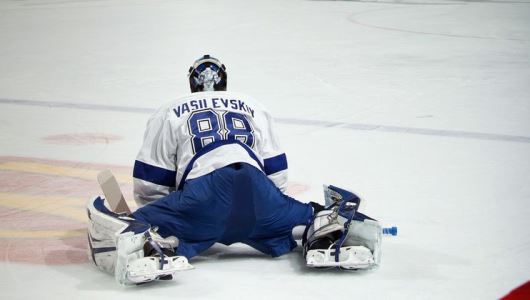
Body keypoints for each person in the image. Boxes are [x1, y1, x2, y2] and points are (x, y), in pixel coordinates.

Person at [86, 55, 382, 286]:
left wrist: (169, 217)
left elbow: (149, 183)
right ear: (225, 81)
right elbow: (276, 175)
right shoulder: (252, 105)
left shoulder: (170, 109)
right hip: (261, 201)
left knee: (138, 222)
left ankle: (150, 239)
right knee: (308, 213)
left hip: (202, 200)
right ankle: (326, 228)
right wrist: (271, 208)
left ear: (191, 83)